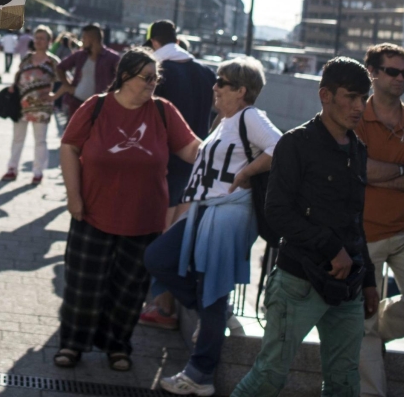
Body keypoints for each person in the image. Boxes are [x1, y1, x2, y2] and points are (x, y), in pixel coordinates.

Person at [230, 58, 381, 397]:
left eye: (364, 98)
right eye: (351, 97)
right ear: (325, 95)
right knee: (268, 376)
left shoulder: (358, 149)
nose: (359, 107)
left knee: (344, 383)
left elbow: (357, 220)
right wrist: (331, 248)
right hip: (298, 281)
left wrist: (369, 280)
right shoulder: (296, 143)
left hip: (349, 287)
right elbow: (277, 212)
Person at [55, 48, 201, 372]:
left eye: (156, 77)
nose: (153, 83)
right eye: (146, 77)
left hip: (144, 221)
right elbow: (69, 146)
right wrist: (73, 195)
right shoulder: (96, 107)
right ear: (124, 76)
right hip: (92, 214)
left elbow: (191, 148)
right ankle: (72, 345)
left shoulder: (163, 111)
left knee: (129, 291)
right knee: (83, 287)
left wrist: (223, 150)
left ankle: (117, 346)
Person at [145, 57, 282, 395]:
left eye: (222, 82)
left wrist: (248, 173)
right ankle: (209, 322)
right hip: (207, 212)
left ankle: (200, 374)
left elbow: (282, 148)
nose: (215, 87)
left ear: (242, 90)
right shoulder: (227, 120)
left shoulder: (251, 116)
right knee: (158, 258)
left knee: (212, 291)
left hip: (228, 213)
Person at [356, 44, 404, 396]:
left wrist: (383, 177)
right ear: (372, 72)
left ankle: (369, 328)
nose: (400, 78)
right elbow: (359, 170)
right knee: (362, 323)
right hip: (364, 234)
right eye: (393, 72)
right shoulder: (355, 120)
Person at [142, 20, 217, 329]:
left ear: (154, 43)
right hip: (195, 165)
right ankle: (163, 303)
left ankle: (160, 305)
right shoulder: (207, 73)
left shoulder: (157, 73)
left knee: (158, 236)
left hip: (162, 167)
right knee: (178, 238)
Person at [2, 25, 60, 185]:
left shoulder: (53, 62)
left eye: (43, 38)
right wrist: (13, 85)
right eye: (37, 38)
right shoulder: (27, 58)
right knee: (17, 138)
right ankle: (12, 168)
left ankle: (38, 171)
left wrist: (54, 96)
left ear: (50, 41)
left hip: (42, 107)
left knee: (40, 140)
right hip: (22, 104)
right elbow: (18, 74)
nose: (39, 41)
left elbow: (64, 82)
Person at [55, 24, 121, 121]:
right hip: (77, 102)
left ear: (92, 39)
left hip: (100, 106)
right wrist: (67, 85)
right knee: (75, 134)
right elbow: (60, 67)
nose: (82, 40)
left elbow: (122, 78)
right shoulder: (80, 55)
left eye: (84, 37)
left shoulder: (112, 58)